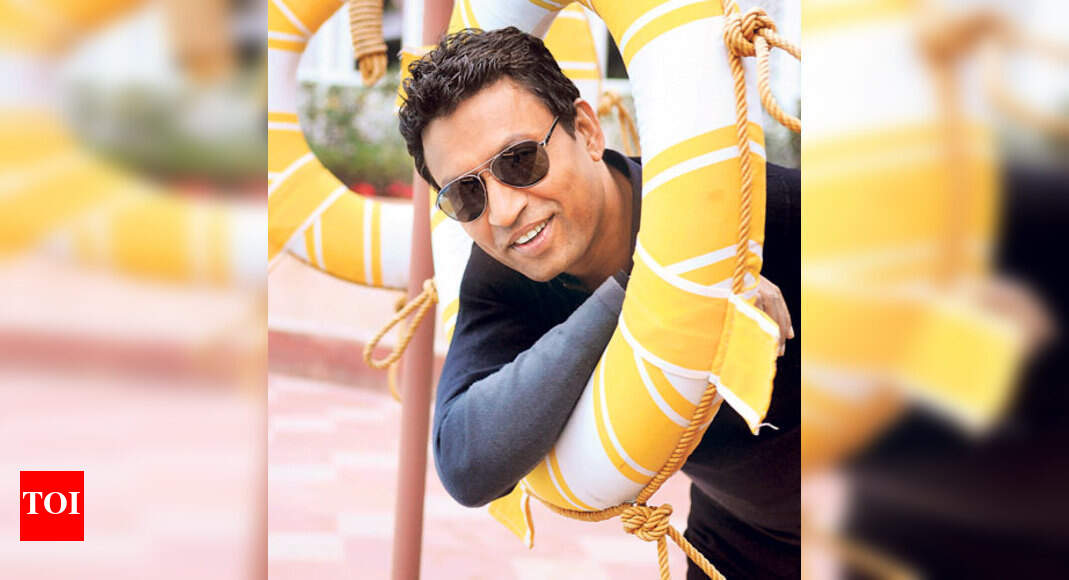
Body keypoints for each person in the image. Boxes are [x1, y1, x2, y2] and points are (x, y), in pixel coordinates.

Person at [398, 27, 800, 578]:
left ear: (586, 132)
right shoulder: (504, 275)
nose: (503, 212)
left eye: (520, 160)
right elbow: (466, 462)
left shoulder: (775, 212)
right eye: (466, 194)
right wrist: (658, 283)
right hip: (741, 542)